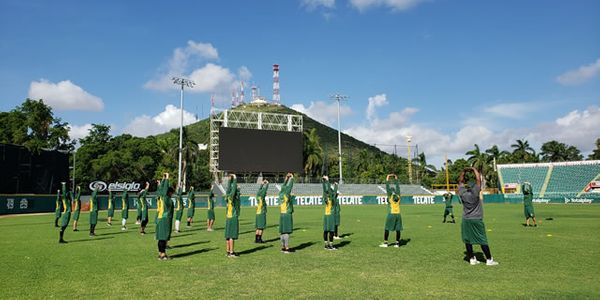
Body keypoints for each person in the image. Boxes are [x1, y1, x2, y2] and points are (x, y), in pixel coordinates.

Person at [458, 167, 499, 266]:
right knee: (482, 239)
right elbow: (478, 180)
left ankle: (472, 258)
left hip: (466, 219)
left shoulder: (462, 193)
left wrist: (463, 171)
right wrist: (473, 170)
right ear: (474, 187)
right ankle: (489, 259)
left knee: (468, 240)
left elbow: (460, 181)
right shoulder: (475, 193)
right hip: (476, 219)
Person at [379, 174, 403, 248]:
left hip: (391, 214)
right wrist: (396, 179)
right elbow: (398, 187)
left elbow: (387, 187)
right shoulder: (398, 195)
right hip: (398, 214)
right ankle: (397, 243)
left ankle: (386, 243)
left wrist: (387, 178)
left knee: (387, 228)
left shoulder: (390, 196)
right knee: (398, 229)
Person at [156, 173, 173, 260]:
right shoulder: (166, 198)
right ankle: (163, 254)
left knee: (160, 238)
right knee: (163, 238)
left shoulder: (160, 195)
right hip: (164, 219)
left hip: (159, 218)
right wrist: (167, 179)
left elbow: (161, 189)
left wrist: (162, 180)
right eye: (171, 193)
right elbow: (164, 189)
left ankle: (160, 254)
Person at [225, 174, 241, 257]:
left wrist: (229, 180)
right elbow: (233, 190)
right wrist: (234, 178)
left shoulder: (228, 195)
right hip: (232, 217)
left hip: (228, 217)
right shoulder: (232, 196)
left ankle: (228, 251)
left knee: (228, 236)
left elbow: (229, 189)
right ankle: (231, 252)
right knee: (232, 236)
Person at [279, 173, 295, 253]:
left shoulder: (281, 194)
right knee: (287, 231)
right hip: (287, 214)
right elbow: (289, 187)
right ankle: (287, 248)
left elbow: (284, 186)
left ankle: (282, 247)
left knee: (282, 231)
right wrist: (291, 178)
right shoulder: (286, 193)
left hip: (282, 213)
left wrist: (286, 179)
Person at [322, 176, 337, 250]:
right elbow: (334, 193)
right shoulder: (332, 198)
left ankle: (325, 245)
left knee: (325, 230)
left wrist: (323, 182)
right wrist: (335, 185)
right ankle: (331, 245)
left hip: (326, 215)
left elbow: (324, 190)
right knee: (331, 231)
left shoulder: (325, 198)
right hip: (330, 216)